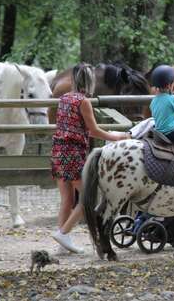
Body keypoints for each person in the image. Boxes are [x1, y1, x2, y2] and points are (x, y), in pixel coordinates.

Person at [51, 62, 129, 254]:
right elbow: (93, 130)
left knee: (66, 200)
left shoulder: (64, 99)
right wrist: (118, 137)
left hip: (58, 152)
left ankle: (62, 242)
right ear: (90, 81)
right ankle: (63, 233)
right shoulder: (83, 102)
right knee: (87, 197)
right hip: (73, 154)